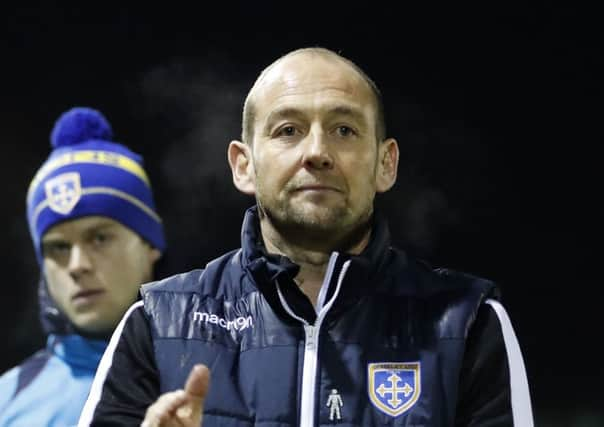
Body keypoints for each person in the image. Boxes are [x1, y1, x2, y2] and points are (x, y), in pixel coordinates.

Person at [80, 48, 534, 426]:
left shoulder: (468, 323)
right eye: (288, 130)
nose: (316, 152)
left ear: (385, 163)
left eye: (344, 130)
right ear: (244, 165)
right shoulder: (157, 322)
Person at [0, 107, 166, 426]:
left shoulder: (216, 375)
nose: (77, 266)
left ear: (150, 245)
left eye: (100, 238)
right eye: (59, 247)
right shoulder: (8, 401)